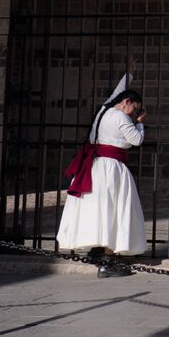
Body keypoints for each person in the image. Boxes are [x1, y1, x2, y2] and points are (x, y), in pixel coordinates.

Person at [57, 64, 146, 278]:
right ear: (127, 102)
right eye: (134, 108)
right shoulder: (122, 117)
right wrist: (140, 123)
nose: (133, 113)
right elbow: (136, 140)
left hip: (94, 166)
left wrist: (129, 74)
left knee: (97, 209)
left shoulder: (103, 110)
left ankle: (97, 251)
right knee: (114, 209)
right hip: (112, 168)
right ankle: (108, 260)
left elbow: (117, 92)